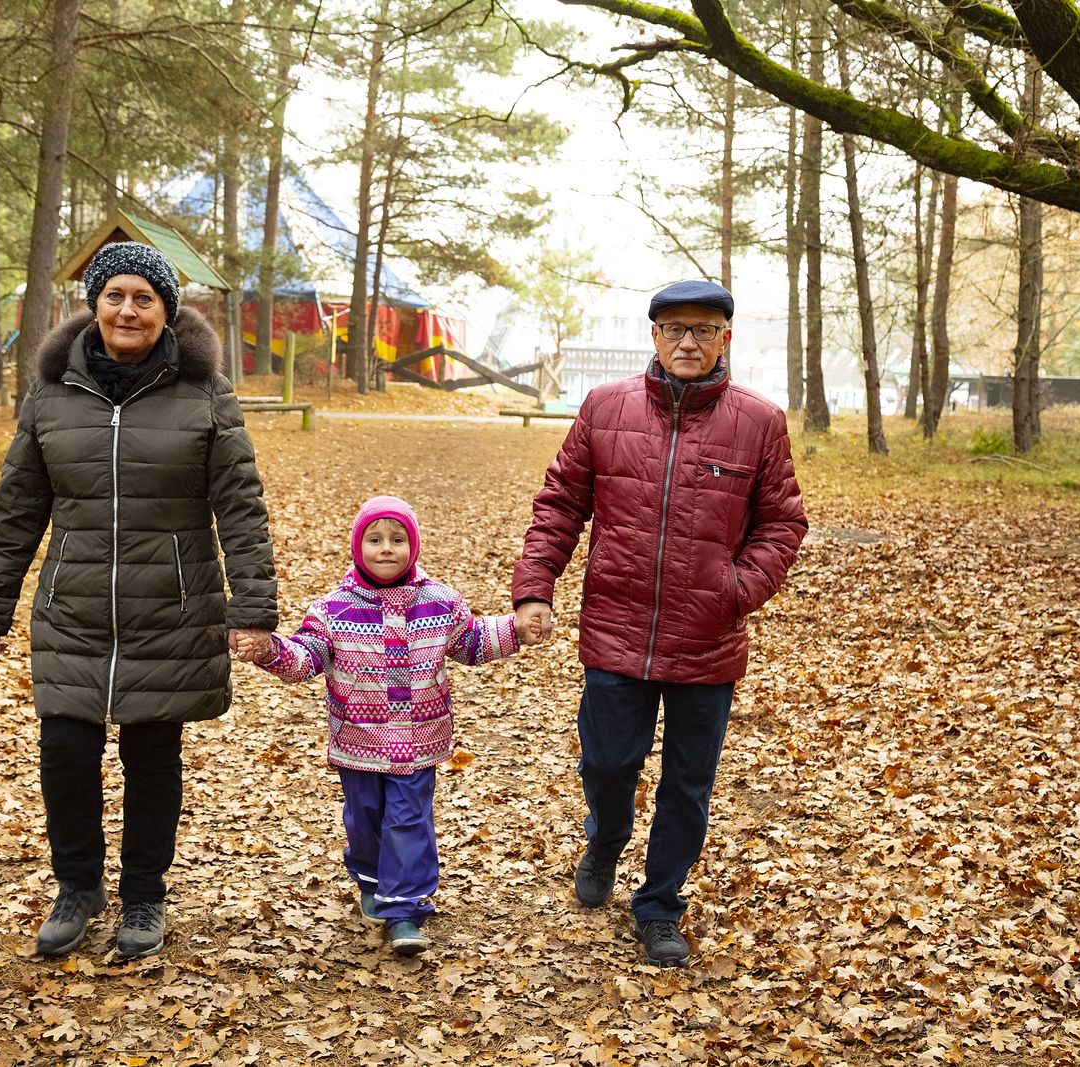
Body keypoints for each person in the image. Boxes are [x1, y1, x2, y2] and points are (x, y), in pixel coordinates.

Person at [0, 241, 277, 959]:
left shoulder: (203, 392)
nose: (127, 310)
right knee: (65, 749)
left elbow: (241, 505)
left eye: (144, 298)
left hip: (170, 605)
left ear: (167, 310)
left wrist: (253, 607)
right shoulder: (51, 390)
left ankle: (143, 894)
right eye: (114, 296)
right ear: (93, 303)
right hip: (72, 605)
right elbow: (16, 507)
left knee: (152, 753)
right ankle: (77, 885)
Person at [511, 279, 807, 968]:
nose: (687, 342)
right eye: (674, 329)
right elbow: (560, 502)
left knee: (686, 785)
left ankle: (659, 905)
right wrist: (535, 588)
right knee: (609, 763)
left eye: (703, 330)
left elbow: (783, 522)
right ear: (653, 335)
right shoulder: (605, 408)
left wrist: (737, 588)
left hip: (708, 639)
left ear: (725, 338)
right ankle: (606, 837)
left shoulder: (759, 421)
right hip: (616, 629)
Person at [233, 496, 542, 956]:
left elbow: (472, 643)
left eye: (398, 540)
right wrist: (269, 650)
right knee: (365, 821)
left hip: (418, 743)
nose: (386, 549)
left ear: (413, 547)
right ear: (358, 547)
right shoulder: (332, 610)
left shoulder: (441, 604)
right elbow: (305, 658)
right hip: (358, 740)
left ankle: (404, 910)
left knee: (408, 819)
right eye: (374, 540)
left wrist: (517, 629)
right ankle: (372, 876)